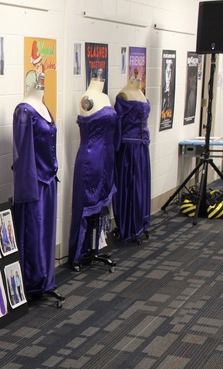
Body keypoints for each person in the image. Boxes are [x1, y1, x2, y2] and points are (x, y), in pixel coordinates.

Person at [11, 73, 61, 299]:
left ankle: (46, 279)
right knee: (34, 232)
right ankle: (33, 281)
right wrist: (29, 188)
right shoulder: (24, 111)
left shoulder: (44, 107)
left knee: (47, 232)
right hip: (35, 184)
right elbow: (23, 154)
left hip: (49, 182)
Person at [69, 71, 120, 267]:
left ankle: (94, 249)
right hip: (90, 159)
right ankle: (78, 253)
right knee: (85, 206)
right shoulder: (87, 99)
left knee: (100, 206)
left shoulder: (105, 97)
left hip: (107, 159)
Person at [113, 75, 151, 243]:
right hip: (129, 149)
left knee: (141, 185)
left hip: (142, 148)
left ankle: (138, 222)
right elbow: (118, 126)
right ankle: (128, 226)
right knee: (130, 186)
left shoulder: (141, 93)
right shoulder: (124, 96)